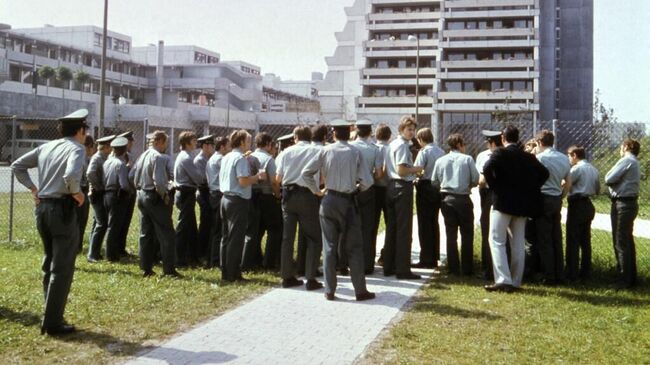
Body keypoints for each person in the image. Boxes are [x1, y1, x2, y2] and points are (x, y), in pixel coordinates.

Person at [11, 108, 88, 335]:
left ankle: (51, 314)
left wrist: (34, 189)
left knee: (49, 264)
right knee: (62, 268)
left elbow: (17, 165)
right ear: (81, 130)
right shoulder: (77, 148)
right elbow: (71, 177)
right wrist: (79, 194)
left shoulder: (46, 146)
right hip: (62, 209)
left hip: (42, 208)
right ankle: (53, 322)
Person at [302, 119, 375, 301]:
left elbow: (306, 173)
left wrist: (317, 191)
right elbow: (368, 181)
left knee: (329, 247)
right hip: (348, 201)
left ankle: (330, 290)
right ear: (349, 133)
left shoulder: (325, 151)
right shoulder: (356, 152)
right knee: (354, 247)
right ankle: (360, 290)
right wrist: (357, 188)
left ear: (333, 133)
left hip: (329, 199)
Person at [483, 125, 549, 292]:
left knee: (497, 240)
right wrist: (531, 188)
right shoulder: (528, 157)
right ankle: (516, 280)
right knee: (518, 242)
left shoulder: (499, 153)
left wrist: (495, 185)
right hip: (522, 205)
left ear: (503, 139)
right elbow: (544, 173)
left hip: (502, 202)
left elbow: (486, 168)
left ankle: (503, 279)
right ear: (518, 138)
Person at [276, 125, 323, 289]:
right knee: (313, 237)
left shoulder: (286, 152)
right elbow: (322, 175)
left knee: (287, 238)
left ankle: (287, 276)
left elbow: (278, 177)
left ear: (295, 137)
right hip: (307, 194)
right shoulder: (315, 151)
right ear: (309, 137)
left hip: (288, 194)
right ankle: (310, 278)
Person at [219, 130, 266, 282]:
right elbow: (243, 181)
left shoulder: (227, 156)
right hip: (237, 201)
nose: (250, 144)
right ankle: (233, 273)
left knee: (226, 237)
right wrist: (257, 177)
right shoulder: (240, 159)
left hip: (225, 199)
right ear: (241, 142)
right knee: (236, 238)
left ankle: (225, 271)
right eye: (248, 141)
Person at [132, 131, 179, 278]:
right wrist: (164, 195)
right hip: (154, 197)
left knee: (146, 233)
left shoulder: (143, 155)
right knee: (166, 234)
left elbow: (132, 177)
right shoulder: (158, 157)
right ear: (159, 141)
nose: (166, 146)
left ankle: (146, 267)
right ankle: (169, 270)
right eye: (165, 142)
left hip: (142, 195)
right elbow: (159, 182)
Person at [432, 134, 479, 276]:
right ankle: (467, 268)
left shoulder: (440, 161)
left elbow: (434, 181)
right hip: (464, 198)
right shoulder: (468, 159)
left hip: (447, 199)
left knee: (450, 234)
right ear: (459, 144)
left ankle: (453, 268)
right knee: (467, 234)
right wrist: (468, 185)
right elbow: (476, 179)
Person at [384, 116, 424, 279]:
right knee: (403, 230)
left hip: (391, 187)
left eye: (413, 129)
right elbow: (401, 170)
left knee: (392, 228)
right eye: (409, 129)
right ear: (401, 129)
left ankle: (389, 265)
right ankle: (402, 269)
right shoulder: (402, 146)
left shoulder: (392, 144)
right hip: (402, 187)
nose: (412, 132)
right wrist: (417, 169)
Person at [534, 130, 571, 285]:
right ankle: (559, 273)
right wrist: (561, 196)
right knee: (556, 237)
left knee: (544, 239)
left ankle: (548, 275)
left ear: (539, 142)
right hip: (556, 197)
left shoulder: (539, 158)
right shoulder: (563, 158)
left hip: (543, 197)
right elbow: (568, 182)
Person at [605, 138, 641, 289]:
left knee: (620, 242)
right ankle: (630, 277)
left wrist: (613, 183)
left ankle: (624, 280)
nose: (620, 150)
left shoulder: (627, 160)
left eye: (621, 147)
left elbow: (608, 178)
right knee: (627, 241)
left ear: (626, 147)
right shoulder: (635, 162)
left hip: (622, 204)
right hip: (629, 203)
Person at [244, 133, 282, 271]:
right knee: (274, 229)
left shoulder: (249, 157)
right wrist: (277, 194)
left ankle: (255, 259)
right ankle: (269, 261)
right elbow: (273, 181)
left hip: (252, 196)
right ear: (267, 144)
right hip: (266, 196)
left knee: (256, 230)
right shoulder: (268, 159)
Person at [351, 119, 384, 274]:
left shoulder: (350, 147)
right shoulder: (374, 149)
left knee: (350, 227)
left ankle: (349, 262)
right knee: (368, 228)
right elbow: (378, 174)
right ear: (370, 132)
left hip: (351, 190)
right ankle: (367, 265)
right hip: (369, 189)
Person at [565, 145, 600, 282]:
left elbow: (567, 183)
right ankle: (586, 273)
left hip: (577, 204)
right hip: (588, 204)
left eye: (569, 156)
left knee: (573, 240)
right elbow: (597, 190)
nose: (569, 159)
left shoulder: (576, 168)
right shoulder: (594, 169)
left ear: (574, 155)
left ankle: (571, 273)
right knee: (585, 241)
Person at [296, 124, 328, 276]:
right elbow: (323, 176)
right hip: (316, 192)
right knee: (315, 233)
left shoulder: (297, 149)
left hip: (297, 191)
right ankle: (312, 267)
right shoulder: (322, 150)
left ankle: (300, 265)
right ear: (324, 137)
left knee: (302, 232)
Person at [413, 127, 444, 269]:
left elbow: (418, 169)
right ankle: (434, 256)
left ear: (420, 139)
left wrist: (416, 177)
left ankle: (426, 258)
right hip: (437, 188)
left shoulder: (424, 151)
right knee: (434, 222)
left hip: (425, 187)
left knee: (424, 224)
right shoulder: (441, 151)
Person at [475, 130, 504, 280]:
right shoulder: (508, 155)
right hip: (505, 194)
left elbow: (481, 181)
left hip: (488, 194)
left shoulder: (483, 156)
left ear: (491, 143)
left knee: (487, 231)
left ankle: (488, 269)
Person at [174, 131, 204, 267]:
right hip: (186, 193)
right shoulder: (186, 158)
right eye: (193, 140)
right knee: (184, 227)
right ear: (186, 143)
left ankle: (191, 256)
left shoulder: (184, 156)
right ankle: (179, 258)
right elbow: (198, 178)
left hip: (185, 193)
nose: (196, 143)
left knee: (190, 227)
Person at [102, 137, 134, 262]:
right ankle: (111, 255)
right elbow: (124, 185)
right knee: (115, 226)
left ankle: (111, 252)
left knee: (111, 225)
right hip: (117, 196)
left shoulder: (107, 162)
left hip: (107, 194)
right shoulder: (120, 164)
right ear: (125, 150)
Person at [86, 134, 115, 262]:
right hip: (97, 194)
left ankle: (94, 252)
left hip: (101, 193)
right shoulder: (97, 158)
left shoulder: (104, 157)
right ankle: (92, 254)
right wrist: (98, 186)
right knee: (101, 223)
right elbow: (90, 173)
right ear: (106, 147)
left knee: (97, 222)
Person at [206, 136, 230, 268]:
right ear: (222, 147)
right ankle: (215, 259)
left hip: (213, 194)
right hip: (218, 194)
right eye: (228, 146)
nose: (230, 149)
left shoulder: (212, 158)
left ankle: (212, 257)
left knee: (215, 228)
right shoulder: (221, 159)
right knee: (218, 229)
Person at [194, 135, 215, 262]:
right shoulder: (199, 160)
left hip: (209, 192)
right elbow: (202, 179)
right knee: (205, 222)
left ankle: (207, 248)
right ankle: (201, 251)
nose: (212, 147)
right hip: (203, 192)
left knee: (210, 222)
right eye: (210, 145)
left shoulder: (210, 158)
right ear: (204, 146)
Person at [373, 124, 391, 267]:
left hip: (374, 188)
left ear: (375, 135)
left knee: (372, 225)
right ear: (389, 136)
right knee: (390, 223)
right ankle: (386, 255)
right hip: (389, 188)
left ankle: (369, 255)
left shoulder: (373, 148)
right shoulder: (391, 149)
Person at [116, 130, 135, 257]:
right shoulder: (117, 157)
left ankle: (121, 247)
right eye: (130, 141)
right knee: (118, 222)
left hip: (130, 192)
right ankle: (116, 247)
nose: (132, 143)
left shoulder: (130, 156)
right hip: (120, 192)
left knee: (126, 221)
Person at [77, 135, 95, 254]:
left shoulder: (81, 156)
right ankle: (77, 246)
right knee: (81, 220)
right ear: (89, 147)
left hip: (79, 190)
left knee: (79, 220)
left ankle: (77, 245)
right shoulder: (83, 158)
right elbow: (85, 177)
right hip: (81, 190)